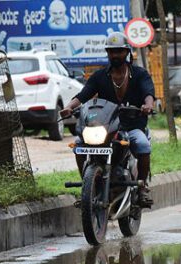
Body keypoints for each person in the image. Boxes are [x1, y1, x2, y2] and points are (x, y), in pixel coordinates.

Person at [61, 32, 156, 207]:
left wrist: (148, 105)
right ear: (107, 53)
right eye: (112, 51)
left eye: (119, 51)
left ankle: (142, 187)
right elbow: (83, 95)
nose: (115, 55)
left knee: (142, 144)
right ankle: (88, 189)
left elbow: (148, 93)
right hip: (106, 128)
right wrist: (69, 107)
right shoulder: (99, 76)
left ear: (127, 52)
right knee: (79, 144)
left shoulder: (139, 74)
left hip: (131, 126)